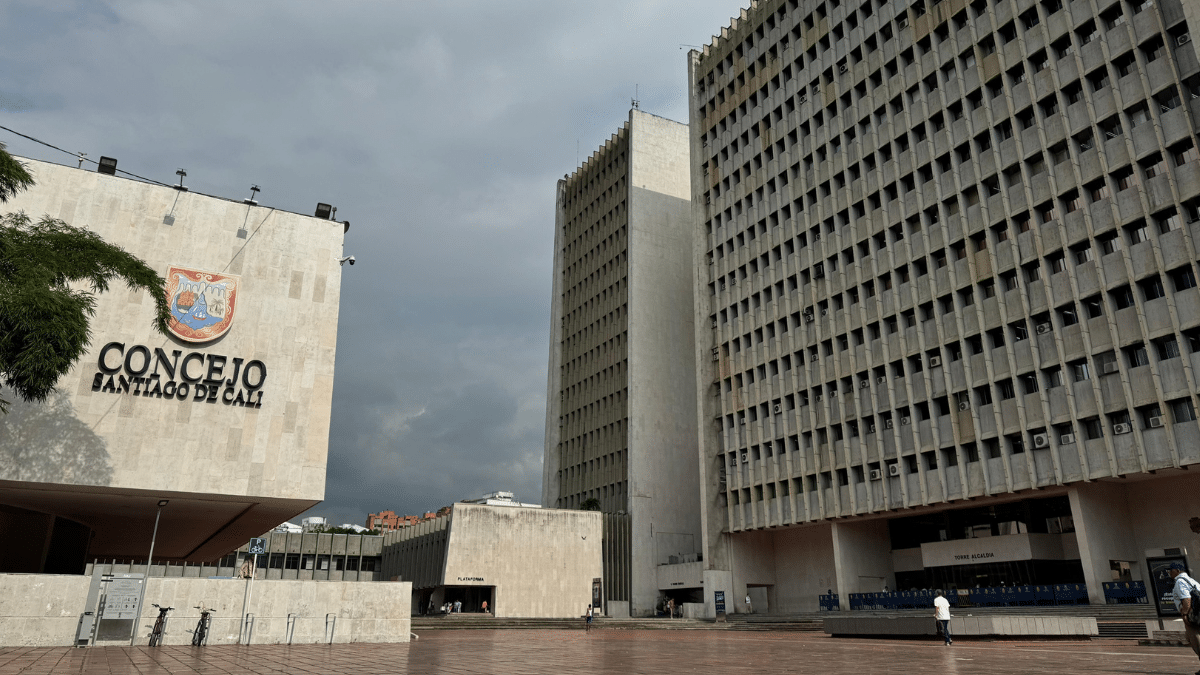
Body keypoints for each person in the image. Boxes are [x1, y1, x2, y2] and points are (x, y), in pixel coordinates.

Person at [1168, 562, 1200, 670]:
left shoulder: (1180, 582)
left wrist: (1185, 615)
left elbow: (1186, 599)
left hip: (1193, 615)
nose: (1169, 573)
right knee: (1189, 637)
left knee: (1196, 641)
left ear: (1177, 571)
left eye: (1170, 571)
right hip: (1198, 613)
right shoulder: (1191, 581)